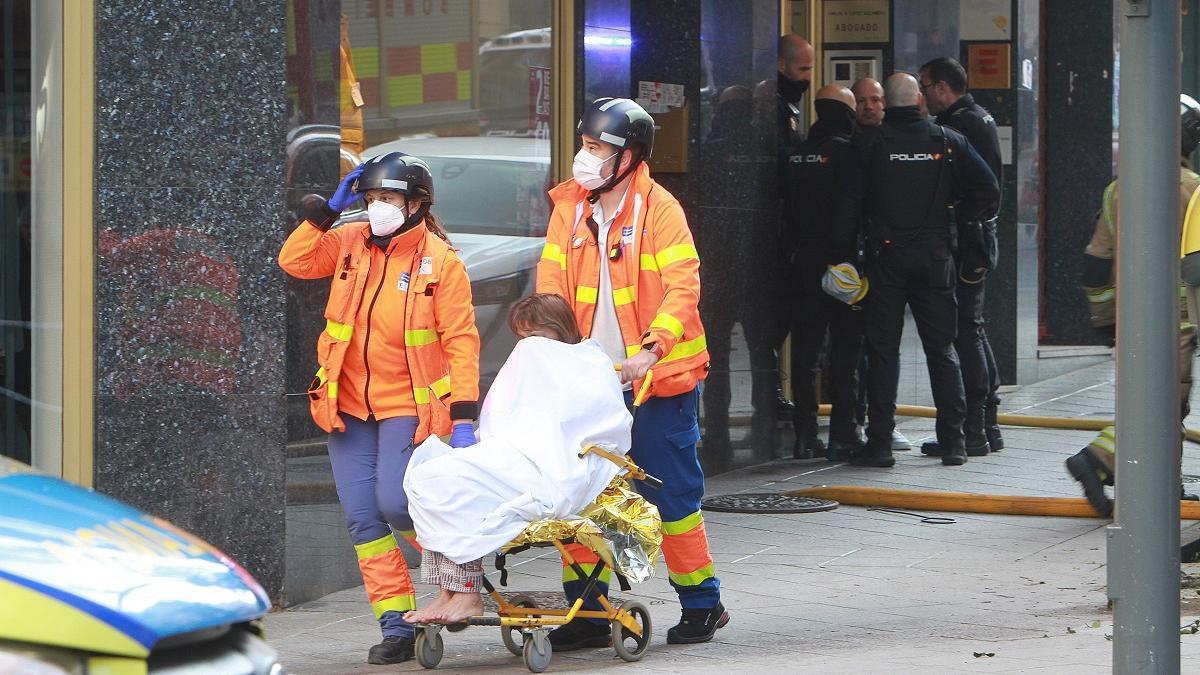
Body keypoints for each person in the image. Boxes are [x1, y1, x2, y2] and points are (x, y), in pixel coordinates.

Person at [536, 97, 728, 648]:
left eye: (598, 148)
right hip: (589, 382)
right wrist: (546, 345)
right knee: (579, 494)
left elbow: (682, 285)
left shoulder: (658, 208)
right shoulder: (568, 206)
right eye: (585, 145)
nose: (585, 157)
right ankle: (590, 611)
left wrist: (652, 348)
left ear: (630, 157)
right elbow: (551, 283)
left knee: (671, 495)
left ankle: (701, 602)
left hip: (655, 379)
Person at [278, 152, 481, 665]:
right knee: (363, 521)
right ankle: (397, 625)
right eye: (370, 199)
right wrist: (327, 211)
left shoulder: (441, 261)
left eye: (388, 198)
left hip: (407, 407)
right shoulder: (347, 242)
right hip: (346, 406)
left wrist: (463, 416)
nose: (377, 208)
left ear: (416, 204)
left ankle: (459, 570)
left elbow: (461, 341)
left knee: (395, 503)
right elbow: (295, 260)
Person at [402, 294, 591, 625]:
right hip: (512, 453)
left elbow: (586, 428)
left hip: (546, 466)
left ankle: (467, 593)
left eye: (536, 337)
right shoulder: (527, 368)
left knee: (461, 487)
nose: (527, 347)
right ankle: (447, 591)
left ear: (559, 330)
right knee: (432, 476)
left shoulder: (584, 365)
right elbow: (505, 416)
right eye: (522, 339)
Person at [853, 73, 999, 468]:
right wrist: (957, 216)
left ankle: (880, 443)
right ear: (918, 98)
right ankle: (953, 441)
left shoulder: (871, 144)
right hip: (936, 258)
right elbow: (988, 189)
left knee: (883, 351)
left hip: (886, 258)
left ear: (888, 102)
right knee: (942, 348)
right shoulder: (947, 140)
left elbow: (851, 203)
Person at [1066, 95, 1200, 517]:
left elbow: (1096, 261)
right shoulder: (1192, 190)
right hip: (1177, 318)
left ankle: (1163, 487)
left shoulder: (1118, 189)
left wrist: (1105, 317)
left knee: (1153, 400)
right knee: (1163, 403)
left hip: (1130, 315)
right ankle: (1097, 458)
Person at [917, 57, 1006, 459]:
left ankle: (975, 426)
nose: (923, 95)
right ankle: (986, 423)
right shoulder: (979, 116)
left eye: (926, 87)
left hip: (969, 241)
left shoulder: (960, 125)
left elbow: (981, 188)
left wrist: (958, 219)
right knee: (974, 327)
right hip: (980, 238)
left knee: (964, 330)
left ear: (942, 87)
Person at [781, 85, 865, 460]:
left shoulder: (797, 154)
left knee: (805, 353)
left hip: (802, 264)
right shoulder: (850, 153)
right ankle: (843, 435)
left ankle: (804, 435)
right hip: (842, 266)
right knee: (846, 353)